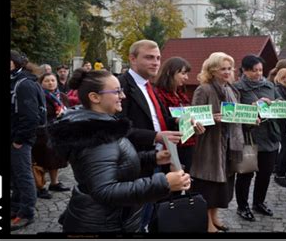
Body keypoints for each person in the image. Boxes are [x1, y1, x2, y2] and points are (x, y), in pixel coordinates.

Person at [48, 68, 191, 232]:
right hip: (104, 225)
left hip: (111, 219)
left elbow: (114, 163)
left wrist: (152, 158)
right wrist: (164, 183)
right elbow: (105, 191)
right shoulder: (96, 136)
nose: (122, 96)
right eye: (116, 92)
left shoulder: (101, 125)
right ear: (95, 97)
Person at [117, 39, 183, 232]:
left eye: (158, 58)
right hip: (135, 163)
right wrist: (155, 137)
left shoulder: (149, 87)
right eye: (149, 58)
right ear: (132, 59)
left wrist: (182, 122)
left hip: (158, 160)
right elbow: (120, 129)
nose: (155, 62)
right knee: (132, 219)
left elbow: (162, 120)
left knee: (149, 214)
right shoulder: (121, 85)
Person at [190, 52, 244, 232]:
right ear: (212, 70)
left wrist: (251, 118)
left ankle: (214, 216)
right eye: (223, 69)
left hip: (229, 144)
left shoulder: (231, 88)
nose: (227, 72)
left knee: (223, 186)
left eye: (230, 68)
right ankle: (206, 222)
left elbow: (236, 114)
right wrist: (213, 118)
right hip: (209, 147)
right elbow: (194, 118)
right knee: (208, 187)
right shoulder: (203, 89)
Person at [234, 55, 280, 220]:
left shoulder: (269, 85)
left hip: (269, 137)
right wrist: (252, 107)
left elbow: (281, 104)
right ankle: (242, 206)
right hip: (249, 137)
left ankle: (258, 202)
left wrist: (274, 104)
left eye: (260, 70)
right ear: (244, 71)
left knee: (265, 174)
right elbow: (233, 110)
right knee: (246, 174)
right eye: (254, 70)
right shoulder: (237, 88)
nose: (258, 73)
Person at [10, 50, 47, 231]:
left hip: (20, 139)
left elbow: (31, 117)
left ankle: (26, 212)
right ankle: (15, 207)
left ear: (12, 63)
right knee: (15, 175)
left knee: (23, 175)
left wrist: (19, 140)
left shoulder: (23, 84)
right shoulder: (15, 80)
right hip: (13, 136)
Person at [154, 57, 205, 173]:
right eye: (183, 73)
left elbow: (188, 117)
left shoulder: (181, 94)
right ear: (170, 72)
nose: (186, 77)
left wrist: (195, 126)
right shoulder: (159, 93)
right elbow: (162, 120)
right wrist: (178, 120)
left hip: (188, 144)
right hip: (172, 146)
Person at [32, 73, 71, 200]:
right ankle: (39, 187)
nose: (50, 83)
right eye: (47, 81)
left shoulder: (63, 96)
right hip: (43, 132)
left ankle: (54, 183)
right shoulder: (38, 95)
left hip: (59, 132)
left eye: (53, 80)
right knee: (41, 160)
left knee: (56, 159)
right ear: (41, 82)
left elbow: (69, 110)